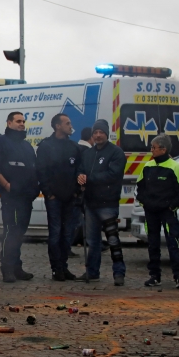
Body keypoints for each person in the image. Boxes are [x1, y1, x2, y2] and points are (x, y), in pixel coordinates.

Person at [0, 111, 39, 283]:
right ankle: (7, 268)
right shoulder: (0, 143)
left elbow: (33, 169)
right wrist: (7, 185)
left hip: (26, 197)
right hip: (11, 197)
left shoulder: (26, 146)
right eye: (18, 121)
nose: (21, 124)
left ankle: (17, 267)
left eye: (23, 121)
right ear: (9, 123)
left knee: (20, 233)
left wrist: (33, 190)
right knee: (11, 232)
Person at [77, 119, 127, 285]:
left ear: (106, 133)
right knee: (93, 241)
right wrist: (80, 177)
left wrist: (89, 179)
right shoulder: (88, 153)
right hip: (90, 203)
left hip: (108, 203)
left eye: (101, 132)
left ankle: (119, 273)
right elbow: (81, 169)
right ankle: (92, 272)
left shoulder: (116, 152)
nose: (98, 135)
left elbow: (113, 175)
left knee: (113, 240)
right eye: (95, 133)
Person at [137, 134, 179, 289]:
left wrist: (171, 206)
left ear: (163, 149)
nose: (151, 150)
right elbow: (139, 189)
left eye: (153, 148)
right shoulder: (147, 167)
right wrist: (145, 203)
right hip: (151, 213)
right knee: (153, 244)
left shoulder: (175, 167)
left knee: (173, 243)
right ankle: (154, 275)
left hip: (167, 213)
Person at [36, 113, 80, 281]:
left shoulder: (73, 147)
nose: (70, 126)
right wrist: (49, 193)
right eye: (67, 123)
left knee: (67, 234)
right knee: (55, 233)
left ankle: (64, 265)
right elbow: (41, 171)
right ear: (57, 126)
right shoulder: (46, 146)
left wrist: (76, 191)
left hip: (70, 197)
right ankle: (56, 268)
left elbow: (78, 169)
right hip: (54, 198)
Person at [70, 126, 94, 256]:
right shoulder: (87, 151)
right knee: (78, 219)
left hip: (75, 190)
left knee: (77, 219)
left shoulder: (76, 148)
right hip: (80, 191)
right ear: (91, 137)